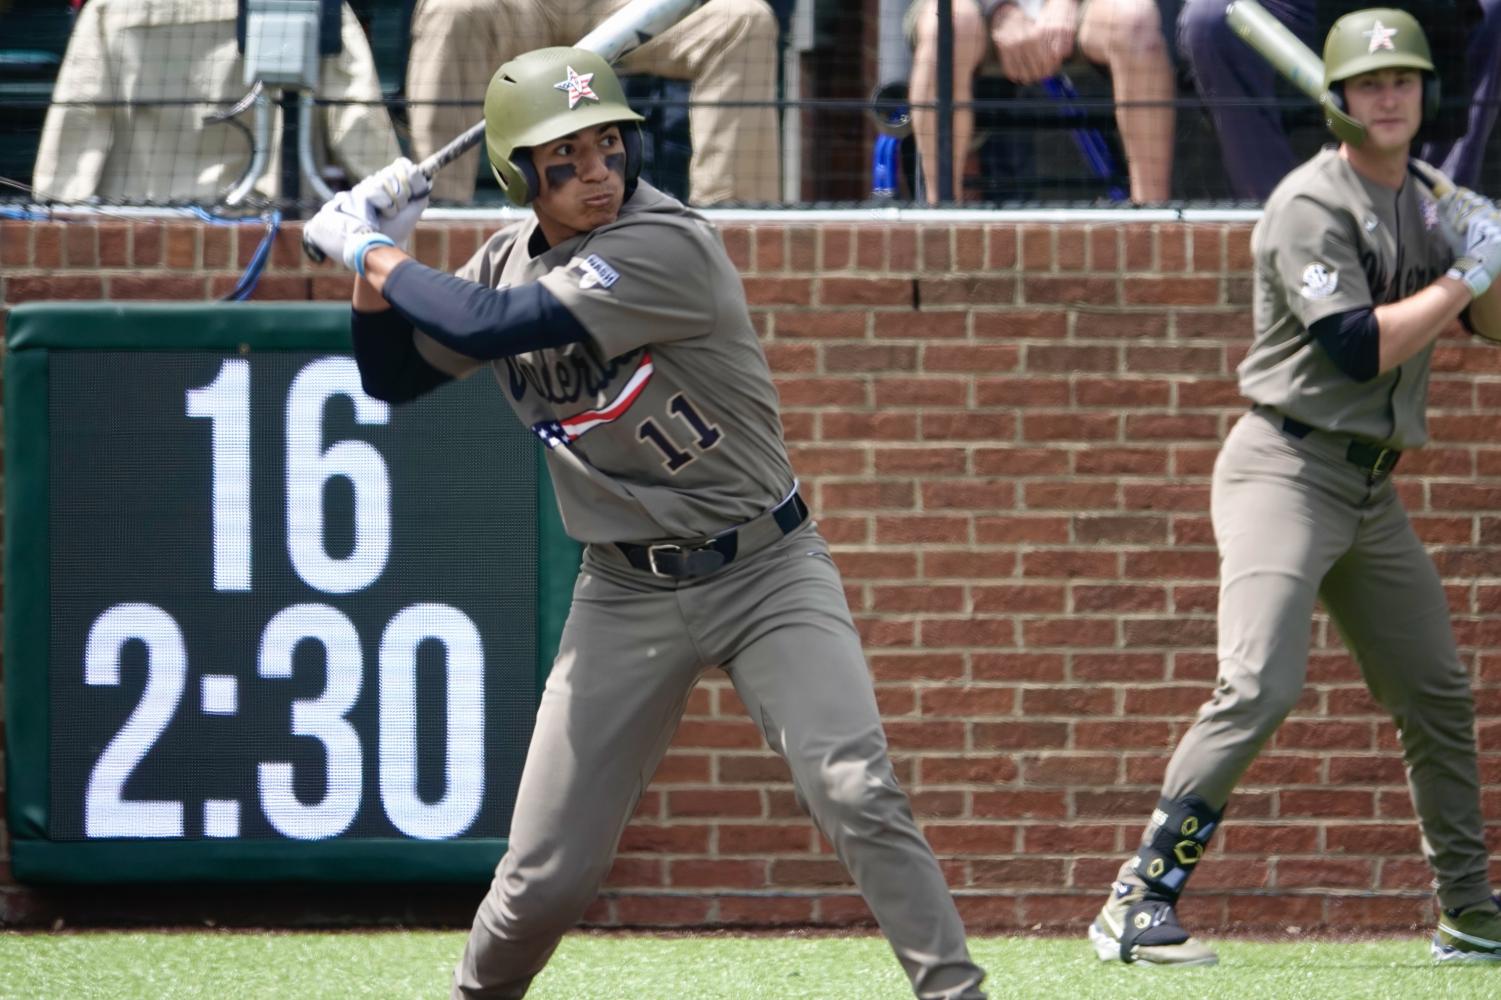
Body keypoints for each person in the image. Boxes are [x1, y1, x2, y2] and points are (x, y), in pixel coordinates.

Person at [303, 45, 988, 1000]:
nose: (596, 174)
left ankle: (956, 993)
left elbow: (495, 328)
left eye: (607, 147)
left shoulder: (667, 244)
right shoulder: (504, 258)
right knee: (544, 875)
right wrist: (375, 273)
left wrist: (371, 246)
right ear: (520, 175)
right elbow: (393, 376)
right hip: (623, 590)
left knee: (855, 790)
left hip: (764, 569)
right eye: (565, 156)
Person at [1086, 7, 1501, 966]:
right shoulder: (1308, 203)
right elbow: (1356, 349)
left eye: (1401, 80)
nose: (1387, 95)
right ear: (1338, 101)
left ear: (1423, 92)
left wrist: (1485, 247)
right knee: (1258, 683)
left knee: (1435, 691)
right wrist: (1461, 278)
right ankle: (1135, 901)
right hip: (1286, 466)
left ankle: (1468, 910)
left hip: (1370, 490)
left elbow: (1492, 330)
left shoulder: (1432, 200)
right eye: (1367, 83)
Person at [404, 0, 781, 205]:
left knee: (746, 18)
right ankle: (436, 203)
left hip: (623, 6)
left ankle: (735, 213)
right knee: (453, 9)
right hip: (527, 7)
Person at [31, 0, 400, 204]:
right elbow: (358, 118)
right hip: (267, 221)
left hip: (141, 219)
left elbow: (78, 114)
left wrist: (55, 205)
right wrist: (400, 198)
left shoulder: (110, 8)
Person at [1180, 0, 1500, 200]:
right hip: (1301, 7)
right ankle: (1277, 211)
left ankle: (1438, 204)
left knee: (1490, 8)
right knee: (1210, 17)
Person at [906, 0, 1175, 203]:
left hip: (1082, 9)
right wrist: (1000, 8)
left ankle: (1152, 217)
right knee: (946, 27)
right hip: (972, 8)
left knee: (1136, 20)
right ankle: (940, 217)